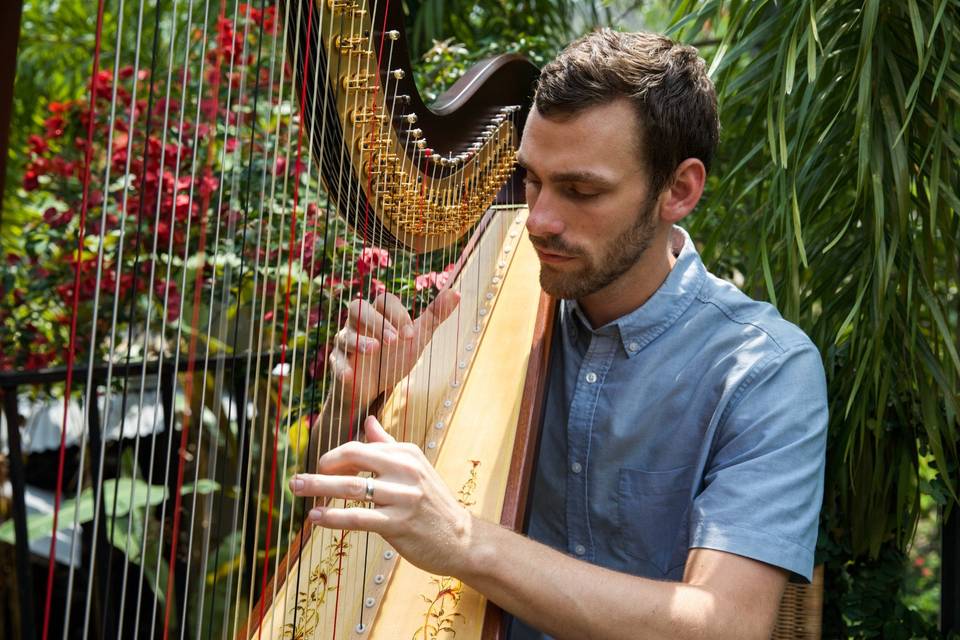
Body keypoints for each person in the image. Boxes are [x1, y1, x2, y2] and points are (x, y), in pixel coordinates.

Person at [290, 29, 828, 640]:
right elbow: (332, 499)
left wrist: (467, 543)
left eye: (581, 190)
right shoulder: (493, 313)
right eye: (531, 180)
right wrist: (359, 398)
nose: (539, 219)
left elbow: (727, 623)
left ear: (678, 190)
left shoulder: (764, 370)